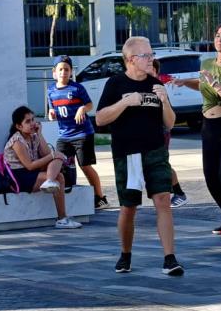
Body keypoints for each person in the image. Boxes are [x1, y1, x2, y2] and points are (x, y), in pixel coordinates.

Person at [96, 36, 183, 275]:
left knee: (163, 200)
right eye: (146, 55)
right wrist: (125, 103)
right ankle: (125, 254)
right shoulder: (115, 84)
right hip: (128, 154)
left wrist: (164, 101)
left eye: (151, 54)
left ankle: (170, 258)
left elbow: (170, 123)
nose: (151, 59)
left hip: (156, 151)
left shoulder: (155, 83)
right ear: (131, 59)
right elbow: (100, 119)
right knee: (129, 207)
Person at [174, 23, 221, 241]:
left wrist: (214, 83)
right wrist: (186, 82)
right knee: (210, 176)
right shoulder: (207, 63)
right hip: (209, 127)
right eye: (217, 35)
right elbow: (203, 85)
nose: (220, 39)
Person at [4, 106, 83, 229]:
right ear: (19, 126)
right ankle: (62, 218)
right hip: (20, 176)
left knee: (58, 158)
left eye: (33, 119)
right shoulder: (17, 141)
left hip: (32, 171)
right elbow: (29, 166)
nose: (32, 123)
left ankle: (50, 182)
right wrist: (52, 155)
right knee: (59, 176)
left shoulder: (33, 136)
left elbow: (46, 154)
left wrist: (40, 134)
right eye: (28, 121)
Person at [47, 55, 109, 210]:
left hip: (82, 134)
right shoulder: (51, 91)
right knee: (59, 161)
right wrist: (51, 114)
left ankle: (100, 197)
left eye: (66, 69)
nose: (63, 72)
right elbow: (52, 110)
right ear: (54, 72)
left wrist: (82, 108)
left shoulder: (77, 88)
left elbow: (89, 105)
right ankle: (62, 192)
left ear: (71, 72)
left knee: (85, 166)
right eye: (60, 69)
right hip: (64, 135)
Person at [149, 58, 188, 208]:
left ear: (155, 71)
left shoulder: (157, 87)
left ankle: (179, 193)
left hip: (161, 132)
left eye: (150, 68)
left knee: (162, 164)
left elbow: (168, 116)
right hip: (148, 134)